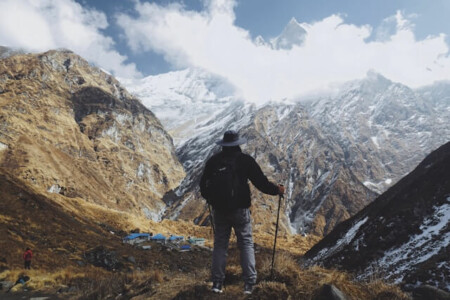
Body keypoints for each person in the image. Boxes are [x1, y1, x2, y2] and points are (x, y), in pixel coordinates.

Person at [200, 130, 285, 295]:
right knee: (245, 244)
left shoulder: (214, 161)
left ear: (223, 144)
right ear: (238, 143)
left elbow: (203, 184)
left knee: (220, 245)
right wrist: (277, 190)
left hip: (219, 210)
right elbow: (261, 183)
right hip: (240, 210)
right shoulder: (245, 161)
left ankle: (217, 283)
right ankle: (249, 284)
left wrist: (211, 199)